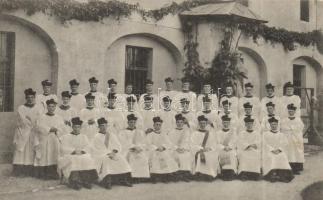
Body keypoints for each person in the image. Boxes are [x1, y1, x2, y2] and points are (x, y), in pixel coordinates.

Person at [91, 117, 132, 189]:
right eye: (101, 126)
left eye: (105, 125)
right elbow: (96, 149)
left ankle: (123, 179)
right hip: (101, 155)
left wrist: (114, 151)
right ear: (98, 127)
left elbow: (118, 145)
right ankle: (107, 180)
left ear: (107, 126)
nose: (103, 127)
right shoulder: (96, 137)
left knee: (121, 158)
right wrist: (108, 153)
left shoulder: (111, 135)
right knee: (106, 159)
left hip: (112, 152)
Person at [58, 117, 98, 190]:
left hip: (81, 154)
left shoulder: (84, 136)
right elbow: (63, 148)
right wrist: (73, 151)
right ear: (72, 127)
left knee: (87, 158)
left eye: (78, 127)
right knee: (74, 159)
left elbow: (88, 146)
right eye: (75, 127)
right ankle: (75, 181)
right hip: (70, 155)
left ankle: (86, 180)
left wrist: (82, 151)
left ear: (80, 128)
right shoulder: (66, 137)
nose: (76, 129)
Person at [13, 88, 43, 177]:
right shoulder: (21, 108)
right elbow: (22, 120)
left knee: (32, 150)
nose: (30, 99)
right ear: (26, 98)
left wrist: (31, 120)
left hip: (34, 132)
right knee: (22, 151)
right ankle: (20, 171)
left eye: (32, 97)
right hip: (23, 132)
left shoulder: (38, 108)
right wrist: (30, 121)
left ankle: (31, 171)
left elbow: (40, 120)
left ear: (34, 98)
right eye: (28, 97)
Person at [34, 98, 65, 179]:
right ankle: (43, 174)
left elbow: (62, 128)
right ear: (47, 107)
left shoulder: (59, 117)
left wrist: (57, 130)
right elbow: (39, 127)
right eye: (50, 106)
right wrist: (49, 129)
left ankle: (53, 173)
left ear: (55, 107)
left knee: (54, 155)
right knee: (44, 155)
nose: (51, 108)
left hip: (54, 138)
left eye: (53, 106)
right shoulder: (42, 117)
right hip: (44, 138)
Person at [118, 114, 150, 183]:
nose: (132, 124)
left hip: (138, 149)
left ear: (135, 123)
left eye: (133, 122)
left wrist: (140, 148)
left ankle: (141, 177)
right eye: (131, 122)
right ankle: (132, 177)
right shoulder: (123, 132)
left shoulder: (140, 132)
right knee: (131, 157)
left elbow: (144, 142)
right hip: (128, 149)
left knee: (143, 157)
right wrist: (132, 147)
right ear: (128, 123)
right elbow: (123, 142)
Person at [146, 117, 179, 183]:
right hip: (154, 151)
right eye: (156, 124)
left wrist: (164, 147)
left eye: (159, 125)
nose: (158, 126)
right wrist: (156, 148)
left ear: (161, 126)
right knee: (155, 158)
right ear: (154, 125)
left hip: (163, 150)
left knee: (166, 157)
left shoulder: (163, 134)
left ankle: (164, 176)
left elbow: (169, 143)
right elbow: (148, 144)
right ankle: (154, 176)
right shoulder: (150, 134)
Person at [262, 117, 294, 183]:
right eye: (272, 124)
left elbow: (284, 144)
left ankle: (282, 175)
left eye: (275, 124)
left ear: (277, 125)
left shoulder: (281, 134)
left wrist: (279, 150)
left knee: (283, 157)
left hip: (279, 151)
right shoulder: (266, 134)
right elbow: (264, 144)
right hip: (269, 151)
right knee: (271, 157)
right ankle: (272, 175)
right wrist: (272, 150)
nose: (274, 126)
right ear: (270, 125)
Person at [191, 115, 219, 181]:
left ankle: (209, 174)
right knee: (200, 155)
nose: (202, 125)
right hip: (198, 150)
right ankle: (200, 174)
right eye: (201, 123)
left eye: (204, 123)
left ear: (206, 124)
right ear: (199, 124)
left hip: (208, 150)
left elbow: (213, 144)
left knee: (211, 155)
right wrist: (200, 148)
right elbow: (192, 144)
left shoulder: (210, 134)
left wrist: (209, 148)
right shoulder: (195, 134)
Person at [280, 103, 304, 175]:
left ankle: (296, 168)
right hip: (287, 139)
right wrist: (290, 129)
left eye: (292, 111)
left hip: (295, 139)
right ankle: (288, 168)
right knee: (288, 153)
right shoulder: (284, 120)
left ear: (294, 112)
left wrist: (292, 128)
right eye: (289, 111)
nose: (291, 112)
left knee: (296, 152)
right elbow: (283, 128)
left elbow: (300, 127)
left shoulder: (298, 120)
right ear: (288, 111)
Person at [168, 114, 192, 182]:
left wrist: (183, 148)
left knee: (186, 156)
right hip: (174, 149)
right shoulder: (172, 132)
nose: (179, 124)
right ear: (176, 123)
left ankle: (185, 175)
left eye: (181, 122)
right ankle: (176, 175)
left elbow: (187, 141)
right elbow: (170, 142)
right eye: (178, 122)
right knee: (173, 156)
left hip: (184, 149)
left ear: (183, 123)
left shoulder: (186, 131)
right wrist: (177, 148)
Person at [237, 116, 261, 181]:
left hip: (254, 149)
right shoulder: (242, 133)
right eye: (248, 124)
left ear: (253, 124)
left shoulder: (256, 133)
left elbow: (258, 142)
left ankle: (255, 174)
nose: (249, 125)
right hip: (245, 149)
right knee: (244, 155)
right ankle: (244, 174)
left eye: (250, 124)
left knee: (256, 154)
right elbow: (240, 142)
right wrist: (247, 145)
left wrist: (253, 145)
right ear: (245, 125)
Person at [217, 115, 238, 181]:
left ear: (229, 123)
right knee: (221, 154)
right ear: (222, 123)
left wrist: (229, 147)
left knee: (231, 154)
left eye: (227, 123)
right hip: (221, 149)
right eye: (224, 122)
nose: (226, 124)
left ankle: (231, 173)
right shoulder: (218, 133)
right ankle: (224, 173)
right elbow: (217, 143)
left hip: (230, 149)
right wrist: (223, 147)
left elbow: (235, 142)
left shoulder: (233, 132)